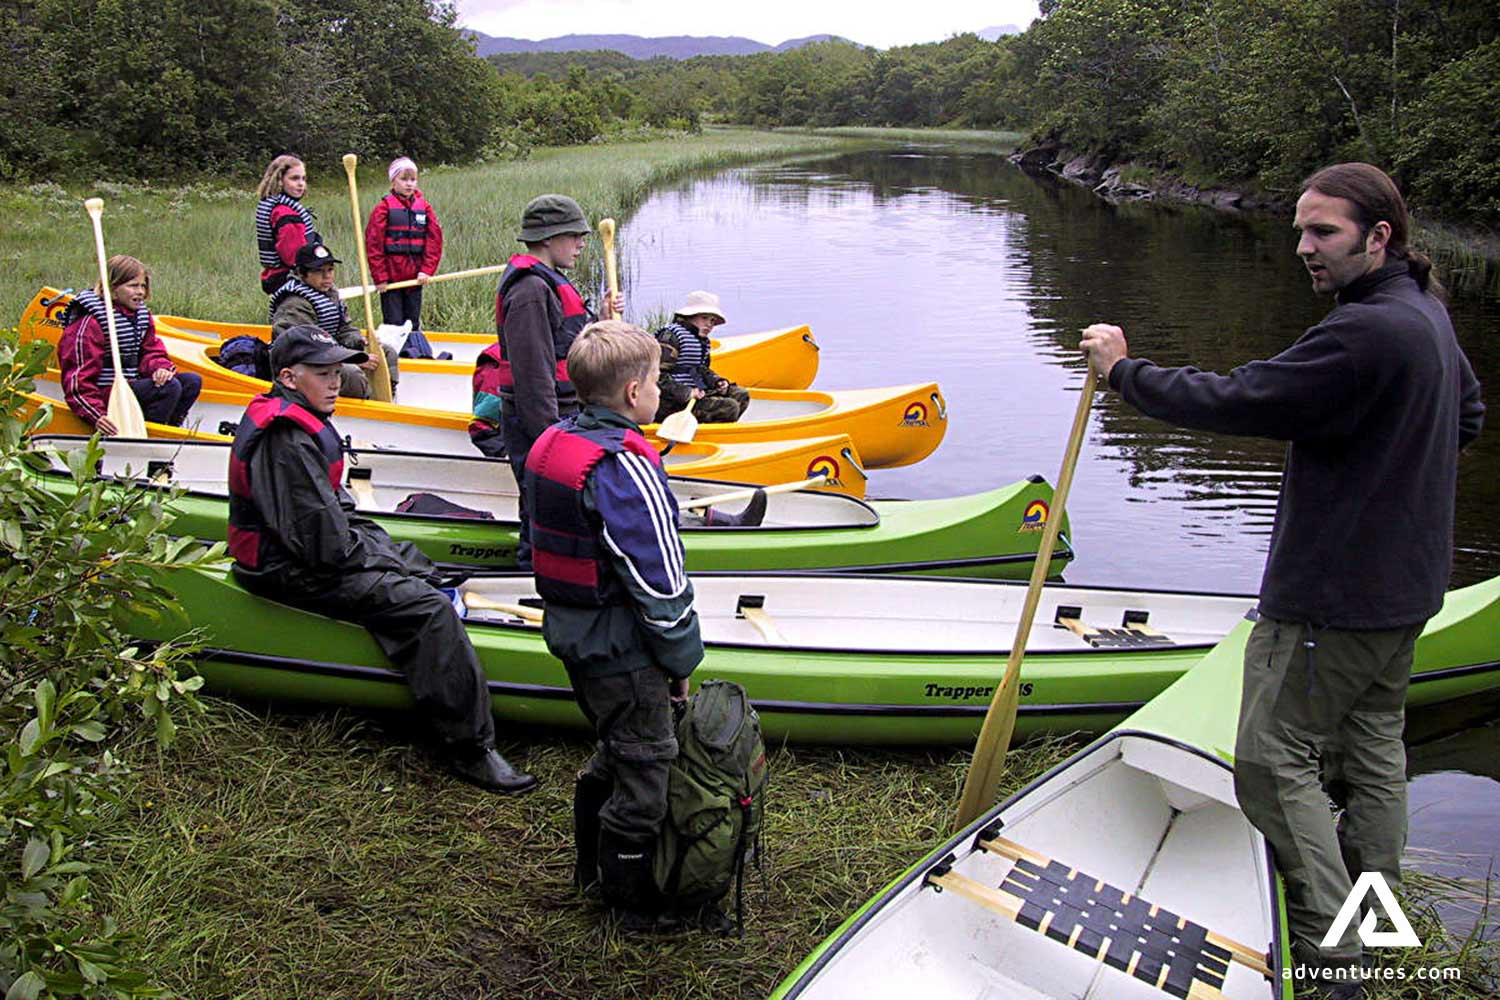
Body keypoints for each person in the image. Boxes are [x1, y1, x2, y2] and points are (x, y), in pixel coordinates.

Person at [1079, 162, 1484, 998]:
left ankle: (1337, 961)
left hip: (1332, 600)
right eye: (1300, 229)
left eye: (1323, 232)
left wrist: (1125, 372)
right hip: (1405, 590)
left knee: (1272, 759)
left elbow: (1241, 399)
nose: (1304, 246)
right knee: (1372, 750)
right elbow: (1467, 414)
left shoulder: (1368, 332)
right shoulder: (1422, 313)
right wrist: (1387, 459)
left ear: (1379, 236)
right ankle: (1378, 919)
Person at [226, 325, 536, 794]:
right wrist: (386, 565)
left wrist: (393, 555)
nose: (336, 382)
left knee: (421, 564)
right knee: (426, 609)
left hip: (310, 550)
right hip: (281, 567)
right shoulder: (286, 439)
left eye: (337, 372)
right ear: (289, 378)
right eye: (323, 373)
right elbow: (321, 547)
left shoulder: (301, 418)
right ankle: (471, 748)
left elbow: (333, 515)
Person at [522, 320, 707, 930]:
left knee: (616, 750)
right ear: (634, 393)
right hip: (623, 652)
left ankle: (590, 870)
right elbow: (659, 579)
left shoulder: (550, 442)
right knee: (647, 770)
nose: (661, 390)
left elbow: (534, 541)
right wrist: (680, 661)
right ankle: (628, 907)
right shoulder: (625, 466)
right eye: (656, 380)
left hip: (573, 635)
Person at [495, 193, 622, 569]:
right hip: (540, 421)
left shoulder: (545, 285)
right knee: (543, 509)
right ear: (548, 238)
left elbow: (565, 346)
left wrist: (598, 320)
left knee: (556, 507)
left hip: (560, 417)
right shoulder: (530, 291)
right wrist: (550, 440)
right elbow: (533, 377)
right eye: (574, 235)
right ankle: (529, 577)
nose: (582, 243)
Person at [57, 254, 202, 434]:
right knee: (169, 389)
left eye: (143, 285)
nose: (140, 292)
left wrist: (160, 368)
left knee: (191, 382)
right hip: (106, 395)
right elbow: (77, 379)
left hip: (132, 386)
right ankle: (152, 436)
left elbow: (151, 352)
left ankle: (168, 430)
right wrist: (97, 414)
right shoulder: (91, 323)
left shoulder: (141, 316)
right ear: (112, 289)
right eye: (133, 286)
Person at [270, 243, 400, 400]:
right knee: (352, 374)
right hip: (303, 362)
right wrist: (351, 358)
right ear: (302, 274)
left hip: (329, 351)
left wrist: (360, 341)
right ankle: (366, 408)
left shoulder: (330, 294)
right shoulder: (294, 304)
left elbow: (343, 329)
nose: (327, 277)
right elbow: (305, 348)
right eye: (319, 271)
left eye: (330, 270)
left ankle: (387, 399)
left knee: (387, 353)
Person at [365, 156, 443, 359]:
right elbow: (374, 245)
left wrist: (427, 269)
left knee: (412, 322)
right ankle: (393, 359)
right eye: (404, 179)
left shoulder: (424, 207)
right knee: (393, 323)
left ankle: (414, 355)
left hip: (415, 278)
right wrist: (380, 277)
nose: (409, 184)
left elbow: (434, 240)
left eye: (413, 179)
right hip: (391, 281)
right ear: (393, 181)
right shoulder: (383, 209)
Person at [653, 291, 750, 424]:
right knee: (729, 407)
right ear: (690, 316)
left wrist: (717, 382)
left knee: (741, 395)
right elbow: (656, 376)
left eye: (712, 320)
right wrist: (686, 392)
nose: (709, 324)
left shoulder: (701, 341)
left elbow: (701, 369)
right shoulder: (671, 337)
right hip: (670, 403)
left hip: (695, 394)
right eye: (704, 318)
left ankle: (712, 428)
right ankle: (695, 429)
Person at [255, 154, 322, 295]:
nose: (301, 183)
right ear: (279, 181)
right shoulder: (286, 214)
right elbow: (293, 256)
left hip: (278, 276)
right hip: (288, 278)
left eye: (303, 178)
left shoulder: (276, 206)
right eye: (294, 178)